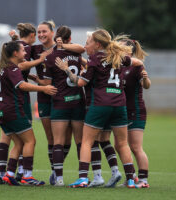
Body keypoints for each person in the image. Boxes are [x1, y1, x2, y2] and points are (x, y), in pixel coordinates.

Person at [56, 29, 142, 188]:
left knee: (87, 141)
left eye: (88, 42)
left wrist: (66, 70)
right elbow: (137, 62)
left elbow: (81, 83)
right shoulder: (117, 56)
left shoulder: (95, 59)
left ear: (97, 44)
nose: (85, 45)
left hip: (100, 104)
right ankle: (131, 179)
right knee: (122, 144)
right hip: (119, 105)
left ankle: (82, 178)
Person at [0, 41, 57, 186]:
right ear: (15, 53)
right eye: (23, 51)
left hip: (0, 112)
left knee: (19, 143)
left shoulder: (4, 68)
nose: (25, 53)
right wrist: (44, 88)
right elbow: (21, 85)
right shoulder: (13, 69)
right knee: (30, 141)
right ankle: (27, 176)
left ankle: (9, 175)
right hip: (12, 110)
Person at [41, 26, 85, 186]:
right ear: (70, 38)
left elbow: (47, 83)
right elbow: (82, 49)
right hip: (78, 102)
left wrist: (38, 82)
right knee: (80, 141)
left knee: (58, 141)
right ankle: (83, 176)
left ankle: (58, 178)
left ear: (57, 38)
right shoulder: (77, 55)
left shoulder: (51, 57)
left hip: (60, 103)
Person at [121, 38, 151, 188]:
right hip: (121, 110)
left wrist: (145, 79)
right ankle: (131, 177)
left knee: (136, 146)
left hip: (136, 110)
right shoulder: (118, 65)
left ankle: (143, 180)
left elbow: (147, 85)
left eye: (120, 46)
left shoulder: (136, 65)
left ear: (129, 50)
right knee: (121, 145)